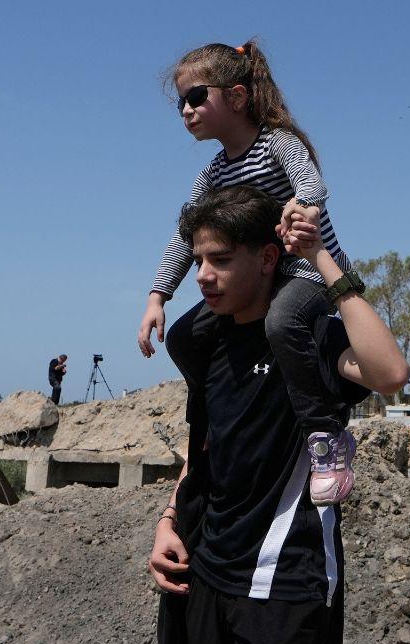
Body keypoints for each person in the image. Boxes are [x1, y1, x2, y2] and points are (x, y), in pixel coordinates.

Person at [150, 186, 408, 644]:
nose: (202, 275)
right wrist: (170, 520)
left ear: (268, 258)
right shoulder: (208, 343)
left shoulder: (308, 338)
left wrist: (320, 259)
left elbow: (391, 375)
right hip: (207, 577)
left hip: (282, 587)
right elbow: (205, 452)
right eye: (198, 260)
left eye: (220, 260)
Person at [136, 40, 358, 507]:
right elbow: (187, 235)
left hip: (306, 269)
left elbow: (313, 183)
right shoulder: (213, 174)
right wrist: (159, 295)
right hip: (254, 281)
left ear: (236, 98)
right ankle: (216, 418)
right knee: (182, 338)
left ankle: (325, 435)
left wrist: (303, 205)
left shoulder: (278, 143)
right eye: (180, 102)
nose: (186, 110)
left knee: (282, 322)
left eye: (197, 97)